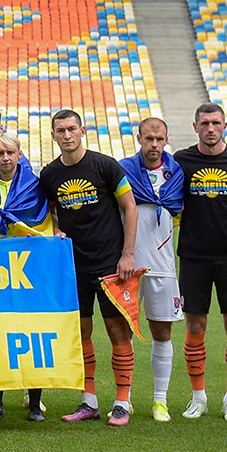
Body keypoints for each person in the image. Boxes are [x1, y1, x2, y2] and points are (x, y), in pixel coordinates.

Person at [39, 111, 138, 428]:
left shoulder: (106, 165)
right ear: (53, 135)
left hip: (109, 264)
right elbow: (51, 213)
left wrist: (127, 255)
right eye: (61, 130)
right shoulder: (49, 174)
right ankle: (89, 401)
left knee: (117, 331)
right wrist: (56, 230)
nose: (67, 135)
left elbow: (130, 207)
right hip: (73, 266)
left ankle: (122, 402)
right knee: (81, 333)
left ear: (82, 131)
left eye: (72, 129)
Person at [173, 102, 227, 421]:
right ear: (195, 126)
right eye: (204, 123)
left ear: (225, 126)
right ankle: (198, 397)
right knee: (195, 326)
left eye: (216, 123)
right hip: (193, 256)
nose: (210, 128)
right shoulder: (181, 160)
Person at [0, 132, 51, 421]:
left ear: (20, 155)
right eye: (0, 153)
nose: (5, 158)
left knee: (32, 333)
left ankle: (34, 404)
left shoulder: (34, 186)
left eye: (10, 153)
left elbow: (42, 222)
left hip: (27, 269)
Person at [119, 118, 185, 423]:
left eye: (159, 139)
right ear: (139, 139)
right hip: (128, 266)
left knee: (162, 332)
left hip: (163, 267)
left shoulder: (177, 174)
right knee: (124, 332)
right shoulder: (123, 170)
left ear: (166, 139)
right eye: (149, 139)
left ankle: (160, 401)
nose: (154, 144)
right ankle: (125, 398)